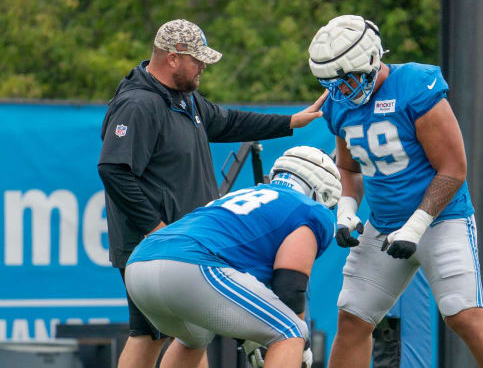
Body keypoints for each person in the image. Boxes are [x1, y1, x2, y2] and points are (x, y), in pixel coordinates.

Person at [97, 19, 326, 368]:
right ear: (173, 58)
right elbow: (113, 169)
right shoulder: (138, 104)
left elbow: (229, 121)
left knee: (191, 334)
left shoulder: (185, 99)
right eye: (197, 59)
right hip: (150, 241)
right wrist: (154, 226)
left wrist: (289, 122)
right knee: (149, 334)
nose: (203, 65)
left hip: (185, 243)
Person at [307, 14, 483, 368]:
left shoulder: (415, 85)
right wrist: (346, 210)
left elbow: (453, 169)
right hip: (382, 226)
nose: (343, 91)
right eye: (334, 83)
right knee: (353, 318)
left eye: (350, 79)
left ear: (374, 59)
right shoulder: (338, 105)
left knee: (463, 316)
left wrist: (416, 226)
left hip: (442, 221)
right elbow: (348, 168)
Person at [124, 146, 340, 368]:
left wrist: (253, 336)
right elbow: (290, 285)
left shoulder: (242, 195)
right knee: (291, 331)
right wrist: (298, 345)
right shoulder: (311, 210)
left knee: (193, 339)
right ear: (321, 192)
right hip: (192, 266)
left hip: (141, 261)